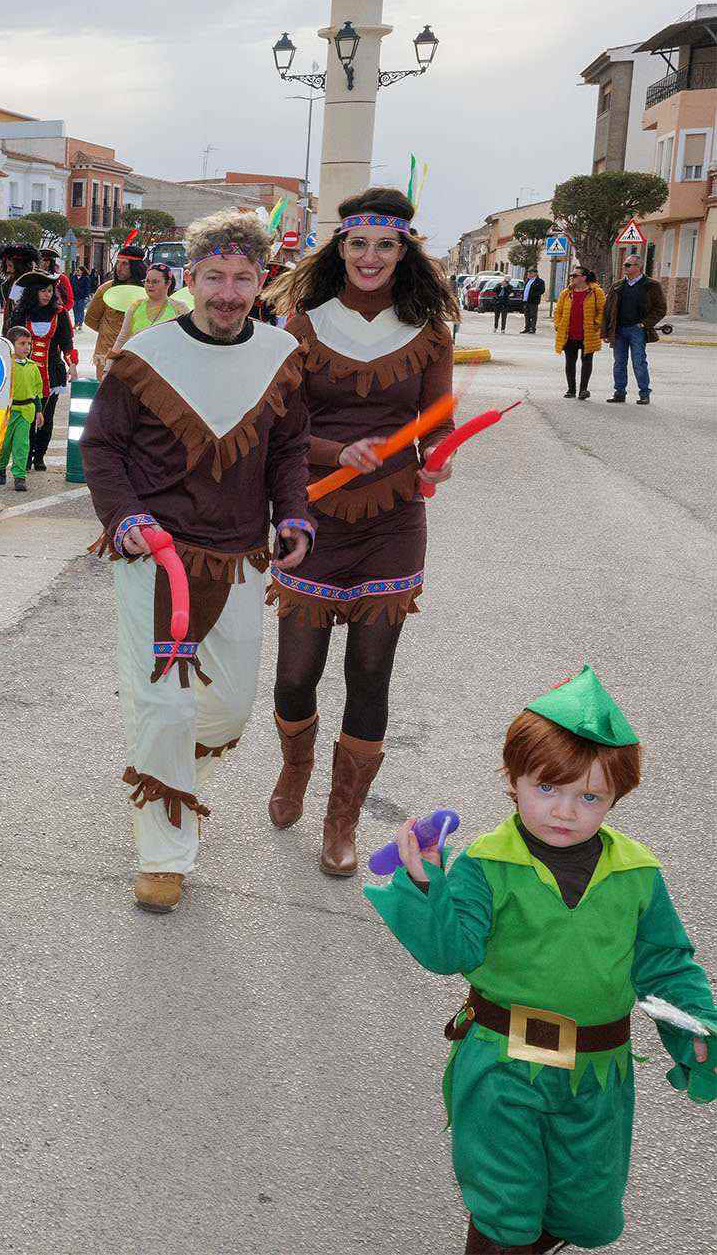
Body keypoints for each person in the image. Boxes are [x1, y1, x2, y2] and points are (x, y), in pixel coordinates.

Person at [365, 669, 716, 1254]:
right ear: (513, 780)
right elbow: (451, 952)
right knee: (505, 1203)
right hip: (503, 1064)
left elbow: (666, 964)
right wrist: (428, 887)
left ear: (615, 797)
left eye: (590, 797)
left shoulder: (636, 873)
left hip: (599, 1073)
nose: (565, 810)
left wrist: (697, 1025)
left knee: (585, 1205)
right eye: (546, 788)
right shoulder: (486, 862)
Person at [79, 209, 313, 914]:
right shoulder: (146, 355)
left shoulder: (279, 353)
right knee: (163, 701)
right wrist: (124, 518)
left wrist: (294, 512)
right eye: (215, 276)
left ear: (261, 280)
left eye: (243, 277)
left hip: (241, 556)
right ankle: (164, 852)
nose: (228, 292)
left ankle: (169, 768)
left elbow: (290, 448)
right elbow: (101, 448)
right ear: (192, 277)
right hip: (156, 558)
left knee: (229, 708)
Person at [267, 189, 459, 876]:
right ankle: (297, 765)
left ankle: (340, 817)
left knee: (371, 672)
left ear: (404, 251)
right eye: (358, 243)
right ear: (340, 248)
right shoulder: (303, 324)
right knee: (295, 676)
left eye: (385, 245)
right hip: (313, 513)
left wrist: (436, 457)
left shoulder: (430, 328)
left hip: (394, 519)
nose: (370, 257)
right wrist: (332, 453)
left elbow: (437, 416)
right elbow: (280, 424)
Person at [7, 272, 75, 472]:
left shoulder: (60, 313)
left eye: (50, 291)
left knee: (47, 418)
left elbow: (66, 342)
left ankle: (40, 457)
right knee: (26, 418)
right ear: (33, 292)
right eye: (43, 291)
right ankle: (26, 457)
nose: (47, 295)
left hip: (52, 373)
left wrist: (72, 364)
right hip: (23, 374)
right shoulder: (21, 313)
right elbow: (10, 339)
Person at [605, 252, 665, 404]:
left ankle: (644, 393)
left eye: (628, 265)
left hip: (637, 329)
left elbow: (660, 308)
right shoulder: (617, 285)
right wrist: (606, 330)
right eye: (625, 264)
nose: (624, 267)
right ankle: (619, 392)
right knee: (619, 362)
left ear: (638, 267)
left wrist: (644, 323)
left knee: (639, 362)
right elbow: (608, 309)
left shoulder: (651, 285)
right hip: (619, 330)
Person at [84, 243, 147, 378]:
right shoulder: (105, 289)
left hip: (136, 354)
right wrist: (109, 332)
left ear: (136, 267)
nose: (119, 268)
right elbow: (90, 320)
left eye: (125, 264)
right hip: (106, 355)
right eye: (118, 263)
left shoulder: (147, 292)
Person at [0, 324, 42, 491]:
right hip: (9, 411)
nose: (27, 347)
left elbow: (36, 391)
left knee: (22, 445)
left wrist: (39, 410)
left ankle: (20, 476)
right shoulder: (7, 364)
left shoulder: (32, 367)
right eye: (22, 343)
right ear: (11, 344)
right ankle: (0, 468)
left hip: (26, 411)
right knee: (5, 445)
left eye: (29, 344)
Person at [554, 265, 603, 400]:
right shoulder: (566, 293)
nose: (572, 278)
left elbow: (602, 310)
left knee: (586, 361)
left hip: (588, 333)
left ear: (584, 277)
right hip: (569, 333)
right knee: (570, 362)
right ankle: (571, 389)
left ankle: (583, 390)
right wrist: (558, 324)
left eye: (575, 275)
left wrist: (596, 323)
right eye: (571, 275)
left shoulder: (595, 292)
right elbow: (558, 311)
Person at [41, 248, 77, 327]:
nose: (44, 263)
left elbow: (70, 301)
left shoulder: (61, 278)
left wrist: (61, 313)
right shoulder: (34, 277)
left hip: (57, 318)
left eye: (47, 261)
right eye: (42, 260)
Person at [519, 267, 545, 334]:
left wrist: (533, 295)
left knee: (533, 315)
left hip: (533, 301)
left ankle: (532, 328)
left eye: (531, 273)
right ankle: (527, 328)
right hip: (526, 300)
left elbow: (542, 290)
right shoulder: (527, 280)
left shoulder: (540, 281)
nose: (529, 274)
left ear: (535, 273)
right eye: (528, 273)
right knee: (526, 315)